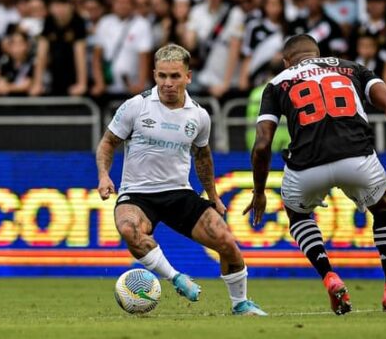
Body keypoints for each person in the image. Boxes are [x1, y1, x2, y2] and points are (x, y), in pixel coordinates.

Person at [245, 34, 386, 316]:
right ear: (318, 54)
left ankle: (329, 275)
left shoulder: (276, 83)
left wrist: (259, 191)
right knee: (384, 211)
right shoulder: (351, 68)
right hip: (357, 158)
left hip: (306, 166)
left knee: (298, 215)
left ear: (286, 61)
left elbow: (261, 145)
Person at [96, 44, 267, 316]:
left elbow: (202, 156)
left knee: (226, 241)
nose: (167, 83)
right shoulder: (136, 106)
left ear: (188, 76)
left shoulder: (199, 115)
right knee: (129, 229)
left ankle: (241, 304)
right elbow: (107, 143)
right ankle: (176, 278)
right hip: (137, 194)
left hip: (179, 193)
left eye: (175, 76)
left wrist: (213, 196)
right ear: (154, 74)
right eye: (162, 75)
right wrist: (104, 175)